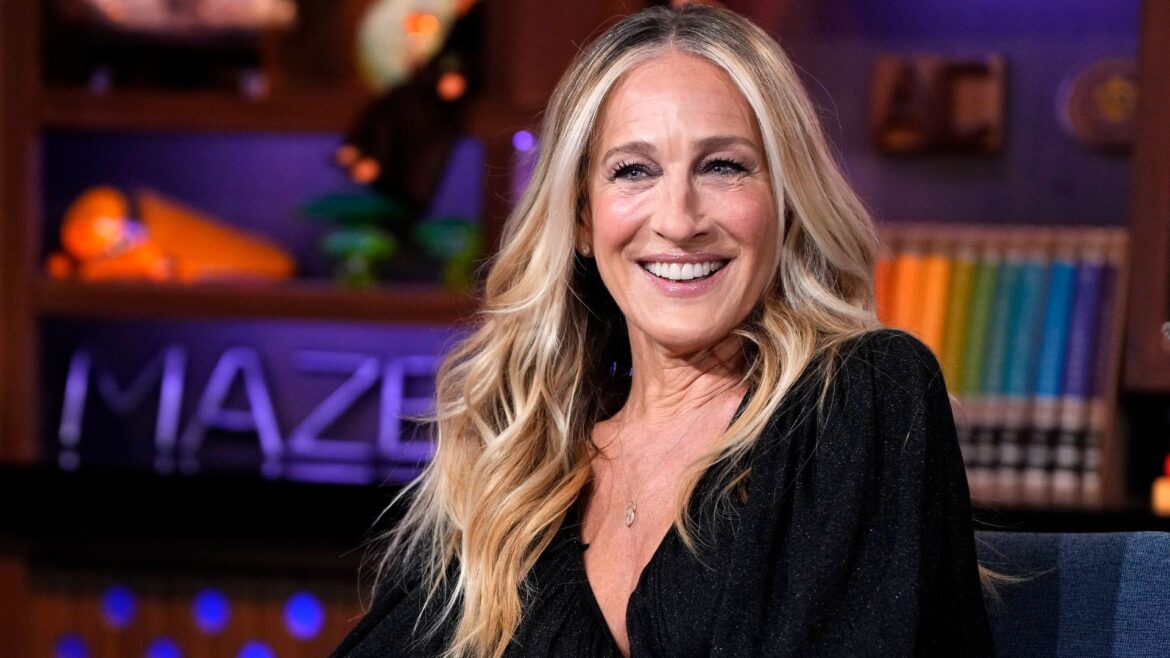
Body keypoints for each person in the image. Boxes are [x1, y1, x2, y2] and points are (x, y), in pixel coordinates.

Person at [334, 5, 993, 657]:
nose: (679, 220)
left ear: (786, 203)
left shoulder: (862, 395)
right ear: (582, 218)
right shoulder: (518, 466)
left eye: (723, 166)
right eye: (634, 171)